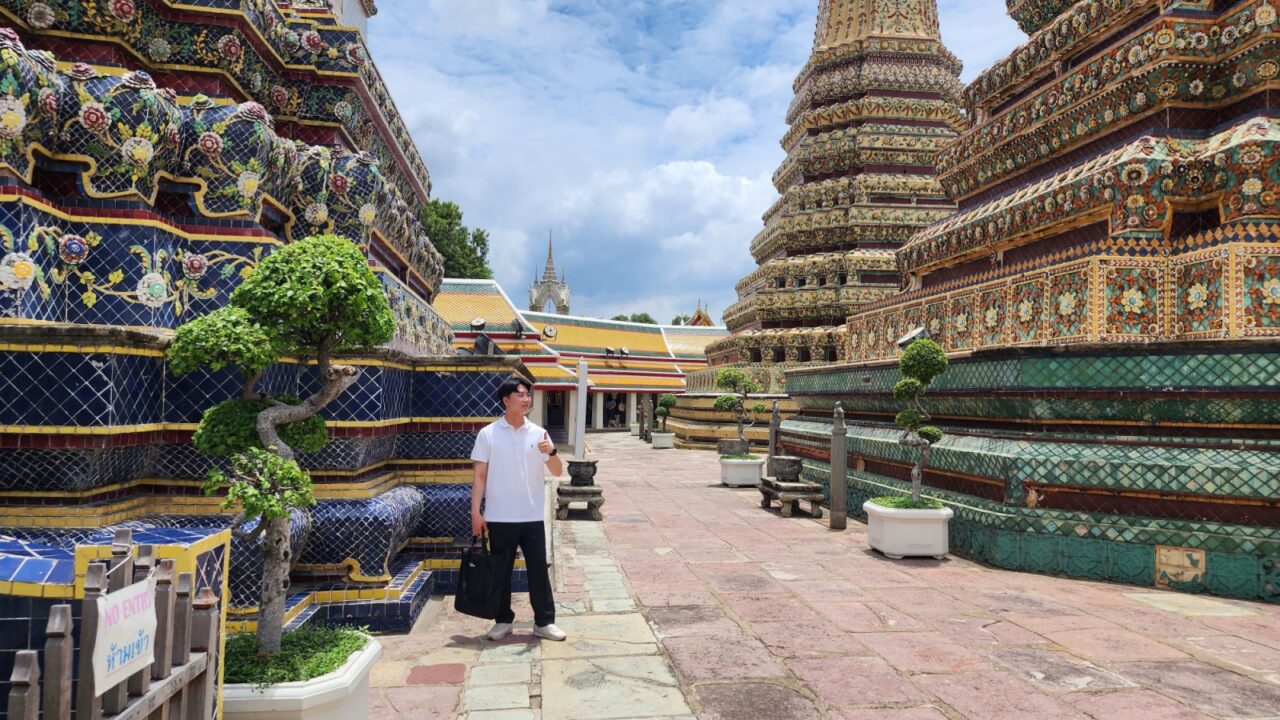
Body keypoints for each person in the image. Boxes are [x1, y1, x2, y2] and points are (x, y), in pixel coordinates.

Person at [470, 377, 566, 641]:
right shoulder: (488, 434)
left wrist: (553, 451)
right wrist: (476, 512)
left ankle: (544, 622)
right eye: (520, 394)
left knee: (538, 570)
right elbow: (479, 476)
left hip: (531, 514)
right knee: (500, 572)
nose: (526, 399)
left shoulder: (539, 433)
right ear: (506, 400)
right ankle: (503, 620)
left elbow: (557, 472)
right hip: (499, 515)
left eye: (528, 395)